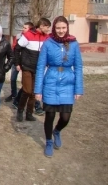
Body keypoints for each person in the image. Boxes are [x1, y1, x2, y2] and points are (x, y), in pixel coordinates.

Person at [35, 16, 83, 157]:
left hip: (68, 83)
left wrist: (78, 89)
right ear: (54, 28)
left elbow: (78, 66)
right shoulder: (48, 43)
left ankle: (57, 131)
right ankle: (49, 141)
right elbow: (40, 67)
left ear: (67, 28)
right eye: (58, 28)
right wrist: (38, 90)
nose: (61, 31)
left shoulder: (74, 44)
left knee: (65, 117)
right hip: (51, 81)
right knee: (49, 116)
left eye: (63, 28)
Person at [14, 18, 51, 122]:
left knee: (34, 93)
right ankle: (20, 111)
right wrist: (17, 63)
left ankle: (29, 113)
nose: (48, 30)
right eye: (47, 27)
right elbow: (17, 49)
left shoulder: (47, 38)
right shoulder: (28, 35)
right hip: (27, 67)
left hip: (39, 69)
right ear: (42, 26)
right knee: (26, 90)